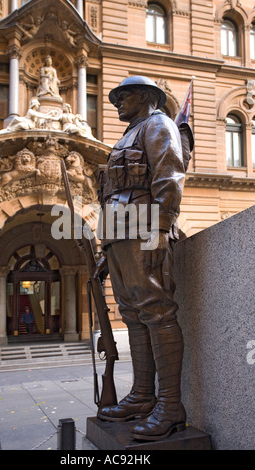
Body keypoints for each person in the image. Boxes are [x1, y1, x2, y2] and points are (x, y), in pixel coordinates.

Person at [95, 76, 187, 441]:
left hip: (144, 229)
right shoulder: (126, 136)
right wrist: (106, 248)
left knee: (156, 310)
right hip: (119, 234)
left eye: (124, 95)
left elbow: (169, 176)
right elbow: (113, 192)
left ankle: (170, 404)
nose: (117, 101)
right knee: (133, 315)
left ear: (146, 97)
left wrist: (161, 228)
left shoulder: (157, 124)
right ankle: (142, 396)